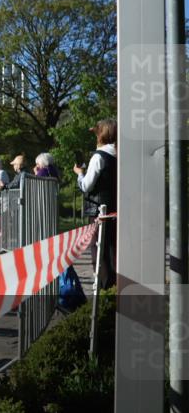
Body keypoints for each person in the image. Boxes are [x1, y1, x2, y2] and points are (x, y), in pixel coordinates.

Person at [73, 118, 117, 289]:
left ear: (101, 135)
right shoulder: (119, 155)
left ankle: (104, 289)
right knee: (112, 250)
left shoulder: (98, 157)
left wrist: (79, 173)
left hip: (98, 210)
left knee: (99, 251)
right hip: (115, 208)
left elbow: (86, 186)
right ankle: (114, 289)